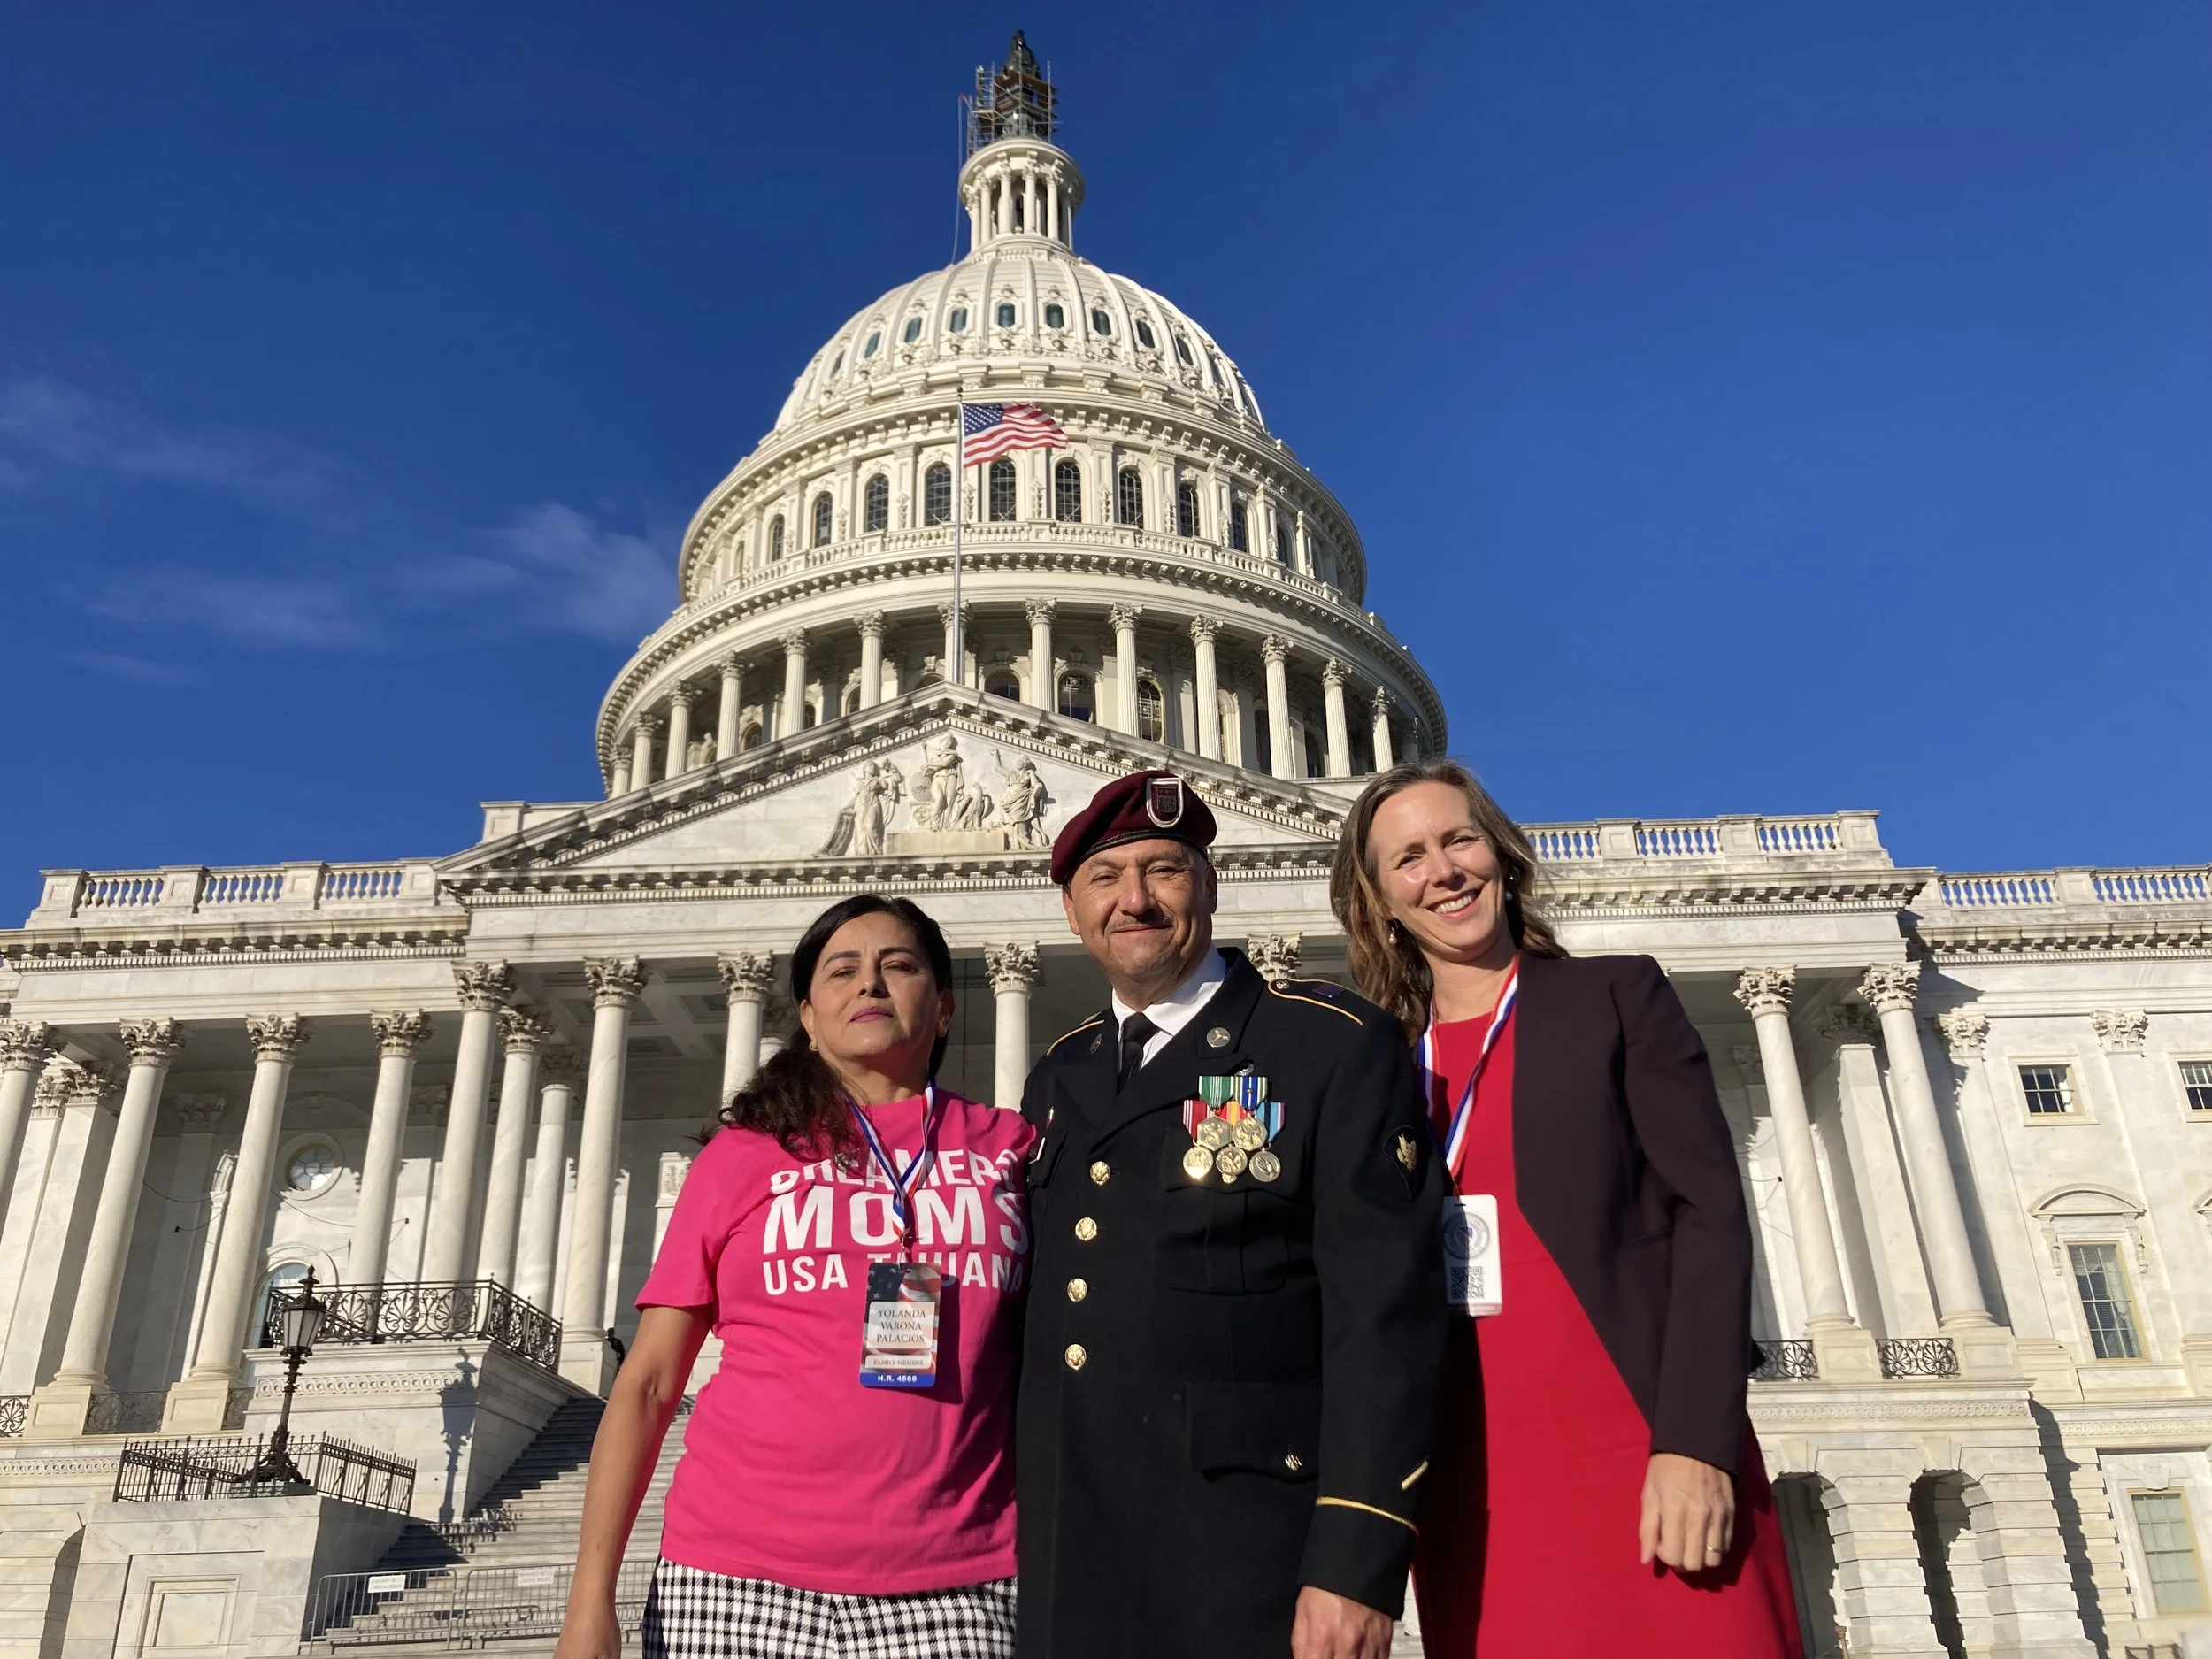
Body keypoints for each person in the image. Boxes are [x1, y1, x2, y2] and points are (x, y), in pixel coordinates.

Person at [1329, 760, 1801, 1658]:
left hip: (1636, 1439)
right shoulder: (1375, 1064)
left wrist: (1694, 1442)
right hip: (1471, 1475)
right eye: (1409, 858)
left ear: (1501, 856)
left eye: (1458, 839)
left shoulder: (1615, 999)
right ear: (1380, 900)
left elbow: (1709, 1215)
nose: (1444, 871)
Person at [1017, 768, 1445, 1659]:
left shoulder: (1325, 1045)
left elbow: (1383, 1317)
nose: (1133, 900)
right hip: (1075, 1552)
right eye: (1104, 879)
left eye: (1163, 870)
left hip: (1251, 1553)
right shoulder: (1060, 1074)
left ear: (1209, 885)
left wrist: (1356, 1556)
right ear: (1070, 910)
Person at [554, 895, 1035, 1659]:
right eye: (842, 971)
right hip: (732, 1579)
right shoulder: (744, 1156)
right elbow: (647, 1383)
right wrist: (590, 1601)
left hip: (960, 1581)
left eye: (899, 966)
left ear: (943, 1008)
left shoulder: (1013, 1149)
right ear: (809, 1018)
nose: (870, 984)